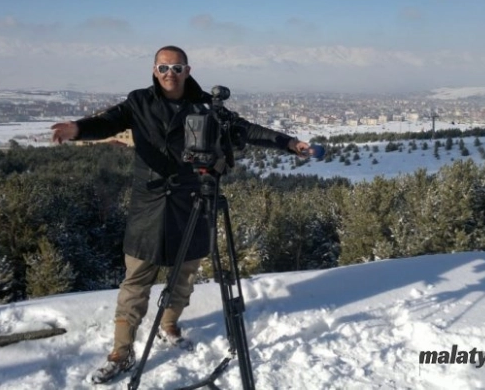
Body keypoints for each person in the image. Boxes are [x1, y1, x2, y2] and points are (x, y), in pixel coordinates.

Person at [51, 45, 310, 384]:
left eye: (176, 68)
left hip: (193, 199)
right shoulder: (139, 101)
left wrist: (289, 143)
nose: (169, 74)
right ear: (153, 70)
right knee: (137, 279)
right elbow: (106, 122)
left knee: (185, 273)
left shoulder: (206, 106)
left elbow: (246, 130)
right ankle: (121, 351)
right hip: (150, 203)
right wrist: (77, 129)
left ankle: (169, 323)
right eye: (163, 68)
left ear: (188, 70)